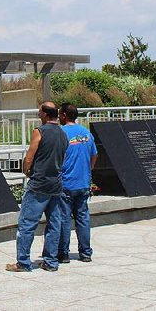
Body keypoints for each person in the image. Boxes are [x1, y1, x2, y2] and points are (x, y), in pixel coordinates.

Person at [6, 101, 69, 272]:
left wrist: (27, 171)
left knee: (27, 223)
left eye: (39, 111)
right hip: (56, 185)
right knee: (54, 224)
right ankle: (50, 262)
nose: (38, 114)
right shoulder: (63, 134)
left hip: (39, 184)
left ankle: (23, 263)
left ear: (45, 114)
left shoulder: (39, 131)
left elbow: (29, 156)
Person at [57, 102, 98, 263]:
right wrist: (88, 171)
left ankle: (63, 253)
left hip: (66, 183)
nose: (59, 116)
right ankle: (85, 253)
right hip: (83, 183)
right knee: (83, 218)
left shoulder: (61, 133)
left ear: (64, 115)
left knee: (64, 219)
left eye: (60, 114)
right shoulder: (86, 133)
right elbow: (94, 154)